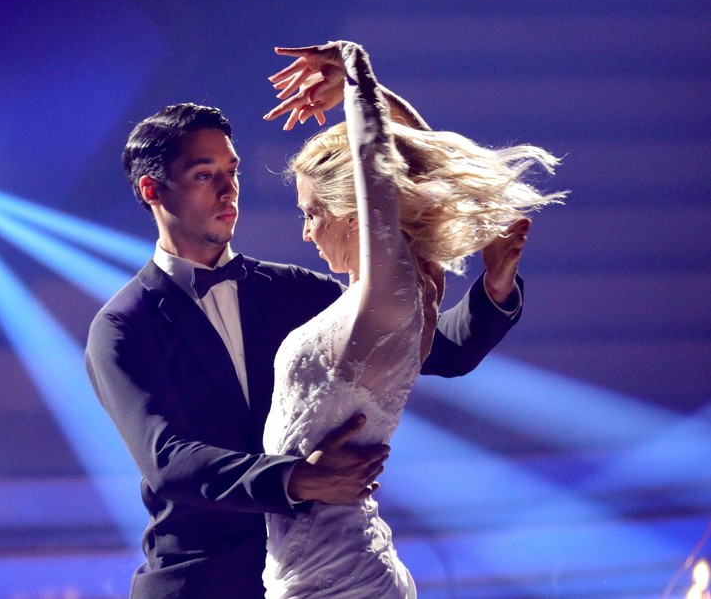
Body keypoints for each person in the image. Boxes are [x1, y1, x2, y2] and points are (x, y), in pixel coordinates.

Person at [84, 65, 539, 597]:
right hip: (201, 581)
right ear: (152, 190)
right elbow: (168, 460)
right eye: (206, 175)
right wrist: (295, 479)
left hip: (323, 574)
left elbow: (439, 348)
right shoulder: (122, 324)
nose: (229, 190)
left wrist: (495, 290)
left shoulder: (294, 289)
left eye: (233, 172)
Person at [258, 41, 565, 598]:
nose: (305, 232)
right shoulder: (407, 286)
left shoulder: (391, 294)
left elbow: (380, 170)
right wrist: (378, 98)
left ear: (354, 210)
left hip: (337, 583)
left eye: (312, 213)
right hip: (328, 569)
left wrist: (357, 72)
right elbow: (416, 162)